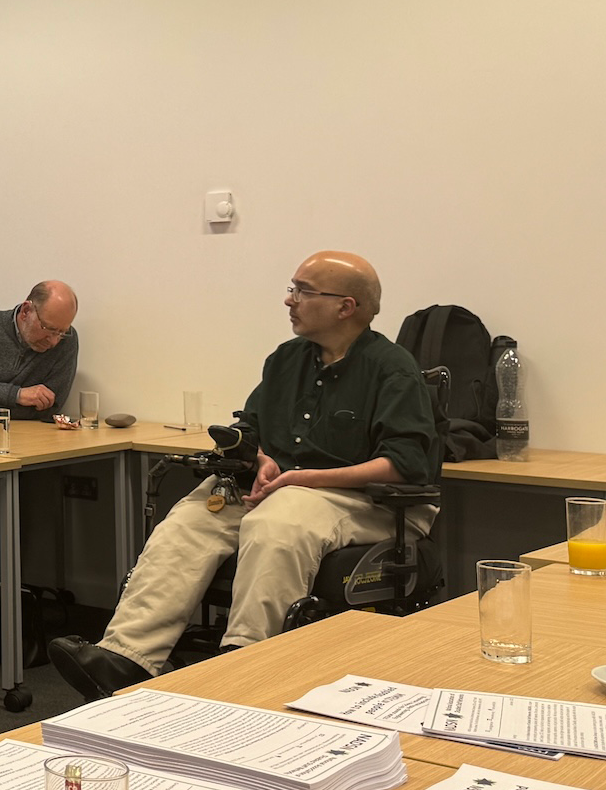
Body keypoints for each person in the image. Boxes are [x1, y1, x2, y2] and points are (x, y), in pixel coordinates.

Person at [49, 251, 440, 701]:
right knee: (193, 517)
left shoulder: (392, 368)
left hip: (370, 499)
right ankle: (125, 659)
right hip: (283, 488)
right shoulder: (286, 360)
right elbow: (250, 427)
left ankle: (244, 670)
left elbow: (404, 464)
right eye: (292, 289)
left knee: (278, 522)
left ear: (345, 306)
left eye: (302, 291)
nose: (289, 300)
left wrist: (303, 479)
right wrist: (259, 457)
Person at [0, 280, 80, 419]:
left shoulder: (67, 341)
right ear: (26, 311)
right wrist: (17, 395)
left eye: (62, 332)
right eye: (49, 329)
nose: (54, 341)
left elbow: (49, 409)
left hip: (23, 431)